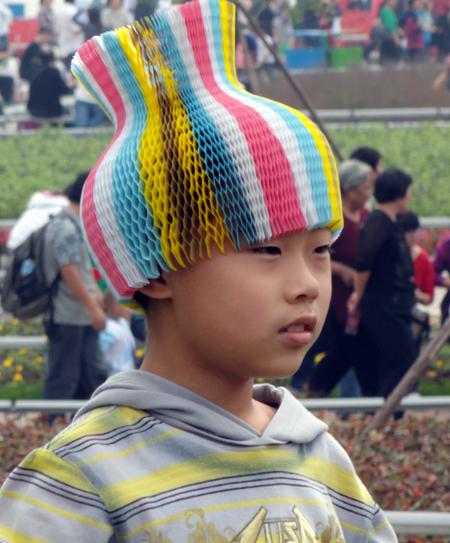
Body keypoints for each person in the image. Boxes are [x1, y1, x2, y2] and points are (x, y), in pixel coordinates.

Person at [0, 2, 397, 542]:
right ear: (158, 268)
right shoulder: (79, 485)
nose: (308, 283)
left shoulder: (324, 461)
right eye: (267, 250)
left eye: (321, 249)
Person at [299, 160, 379, 398]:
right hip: (340, 299)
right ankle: (371, 402)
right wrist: (341, 269)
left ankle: (315, 393)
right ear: (351, 189)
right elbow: (309, 254)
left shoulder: (366, 215)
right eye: (366, 188)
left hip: (362, 298)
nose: (369, 194)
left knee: (345, 353)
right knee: (356, 350)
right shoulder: (332, 218)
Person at [41, 172, 108, 402]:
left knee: (93, 378)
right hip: (67, 316)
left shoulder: (72, 224)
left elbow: (79, 268)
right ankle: (53, 421)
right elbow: (69, 271)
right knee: (64, 380)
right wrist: (93, 308)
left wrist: (94, 297)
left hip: (79, 316)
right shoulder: (65, 227)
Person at [352, 169, 416, 398]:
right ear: (398, 194)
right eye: (408, 191)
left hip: (394, 303)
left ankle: (390, 413)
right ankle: (382, 412)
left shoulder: (391, 220)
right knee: (404, 360)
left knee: (393, 361)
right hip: (383, 304)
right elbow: (363, 263)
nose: (410, 196)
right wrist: (358, 296)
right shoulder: (378, 221)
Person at [398, 210, 434, 355]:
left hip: (412, 314)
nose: (412, 235)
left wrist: (418, 295)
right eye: (408, 231)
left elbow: (429, 297)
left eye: (415, 231)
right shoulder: (392, 257)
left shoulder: (423, 258)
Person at [27, 49, 75, 118]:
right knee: (68, 113)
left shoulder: (33, 72)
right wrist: (71, 85)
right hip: (51, 110)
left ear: (39, 60)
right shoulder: (54, 72)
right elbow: (64, 90)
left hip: (33, 110)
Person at [99, 289, 136, 376]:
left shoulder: (123, 322)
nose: (130, 308)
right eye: (127, 304)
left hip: (128, 374)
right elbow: (100, 353)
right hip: (115, 376)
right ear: (116, 305)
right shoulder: (108, 329)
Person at [54, 0, 84, 70]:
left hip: (62, 47)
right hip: (74, 47)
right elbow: (76, 29)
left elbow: (56, 30)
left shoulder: (59, 11)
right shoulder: (73, 11)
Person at [378, 0, 403, 64]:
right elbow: (391, 27)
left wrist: (398, 29)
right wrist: (396, 39)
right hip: (389, 40)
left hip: (386, 40)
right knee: (391, 60)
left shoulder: (386, 9)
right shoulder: (387, 11)